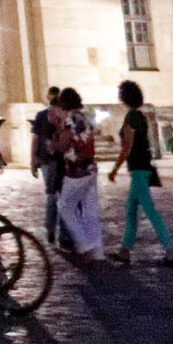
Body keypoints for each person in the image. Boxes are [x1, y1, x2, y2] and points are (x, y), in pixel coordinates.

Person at [106, 79, 173, 268]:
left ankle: (171, 251)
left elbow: (127, 147)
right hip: (141, 168)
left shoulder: (132, 117)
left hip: (138, 169)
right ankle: (124, 251)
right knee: (131, 211)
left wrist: (114, 169)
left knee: (150, 211)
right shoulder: (140, 116)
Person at [53, 89, 104, 264]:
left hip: (76, 169)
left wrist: (57, 131)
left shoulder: (70, 119)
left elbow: (62, 145)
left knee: (65, 207)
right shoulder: (87, 116)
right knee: (90, 209)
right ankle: (97, 251)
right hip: (90, 166)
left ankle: (84, 246)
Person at [30, 87, 66, 247]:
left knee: (60, 196)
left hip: (58, 160)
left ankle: (61, 233)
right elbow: (36, 138)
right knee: (54, 196)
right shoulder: (42, 116)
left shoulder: (63, 115)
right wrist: (33, 159)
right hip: (48, 160)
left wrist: (33, 159)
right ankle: (52, 229)